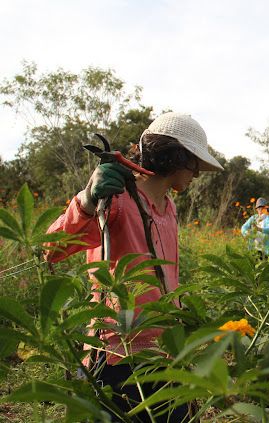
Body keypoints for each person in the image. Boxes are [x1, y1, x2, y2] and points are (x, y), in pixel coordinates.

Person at [46, 112, 223, 422]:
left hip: (164, 351)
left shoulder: (169, 208)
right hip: (118, 350)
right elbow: (51, 248)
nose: (197, 173)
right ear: (176, 156)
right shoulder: (118, 199)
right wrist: (88, 199)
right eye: (194, 162)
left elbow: (167, 279)